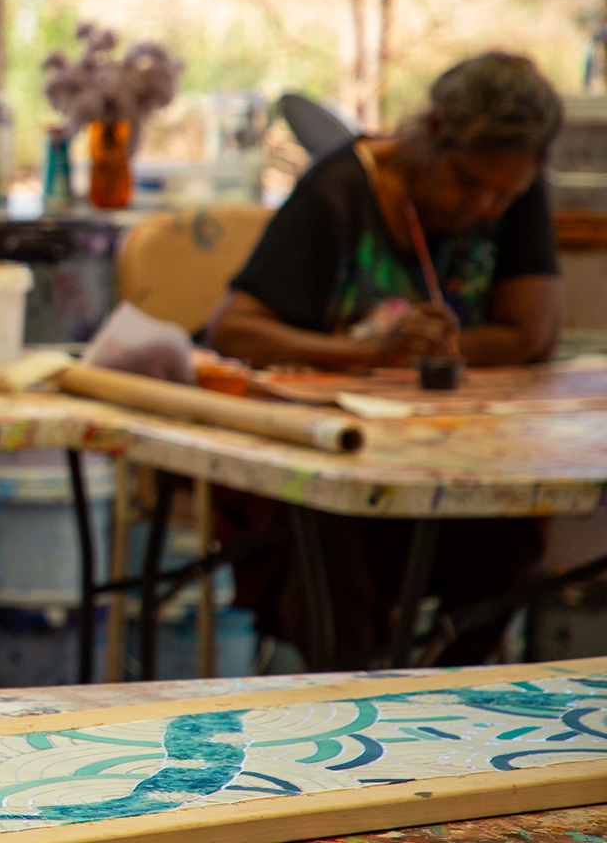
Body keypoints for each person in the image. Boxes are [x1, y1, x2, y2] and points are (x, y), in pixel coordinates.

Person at [205, 51, 564, 668]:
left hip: (456, 455)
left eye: (505, 195)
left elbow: (530, 332)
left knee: (510, 531)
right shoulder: (339, 191)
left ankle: (449, 701)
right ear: (429, 133)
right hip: (334, 460)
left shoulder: (510, 187)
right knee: (332, 515)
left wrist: (424, 351)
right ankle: (357, 697)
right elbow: (234, 329)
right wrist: (366, 354)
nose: (485, 207)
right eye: (471, 184)